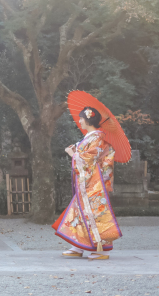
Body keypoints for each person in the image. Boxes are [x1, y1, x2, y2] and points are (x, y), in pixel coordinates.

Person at [52, 106, 121, 260]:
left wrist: (73, 154)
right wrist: (77, 149)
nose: (80, 121)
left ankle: (103, 250)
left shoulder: (96, 137)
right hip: (87, 182)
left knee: (95, 213)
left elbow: (89, 159)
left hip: (93, 182)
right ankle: (78, 245)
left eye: (81, 118)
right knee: (79, 212)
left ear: (89, 119)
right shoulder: (91, 137)